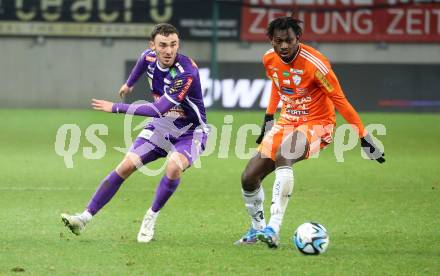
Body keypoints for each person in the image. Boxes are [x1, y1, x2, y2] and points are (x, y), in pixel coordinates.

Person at [235, 16, 385, 248]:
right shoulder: (269, 59)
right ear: (271, 41)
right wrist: (268, 116)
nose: (284, 46)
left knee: (286, 153)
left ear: (298, 39)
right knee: (249, 177)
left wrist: (363, 135)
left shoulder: (316, 64)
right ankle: (257, 230)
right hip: (287, 121)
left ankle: (273, 228)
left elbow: (340, 101)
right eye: (278, 41)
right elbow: (278, 85)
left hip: (318, 123)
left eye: (289, 40)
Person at [61, 23, 208, 243]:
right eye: (163, 45)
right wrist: (128, 84)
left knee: (173, 166)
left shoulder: (186, 72)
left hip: (191, 131)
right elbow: (141, 63)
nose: (169, 50)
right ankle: (84, 218)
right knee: (126, 165)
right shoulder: (148, 57)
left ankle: (151, 217)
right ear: (153, 46)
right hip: (161, 126)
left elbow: (158, 109)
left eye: (174, 45)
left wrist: (116, 107)